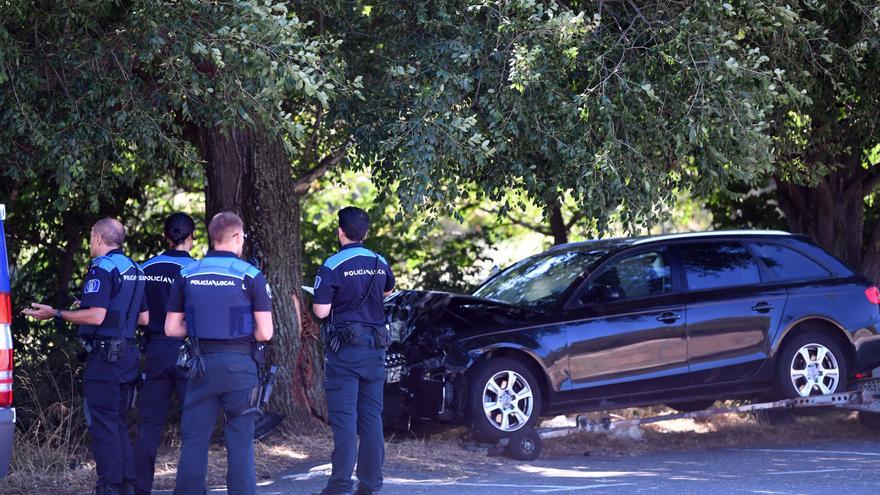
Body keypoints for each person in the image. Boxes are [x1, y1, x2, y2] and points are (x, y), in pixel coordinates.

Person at [23, 218, 148, 495]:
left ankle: (108, 486)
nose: (91, 242)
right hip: (128, 355)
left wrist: (55, 313)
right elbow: (143, 318)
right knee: (117, 421)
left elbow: (96, 316)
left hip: (105, 358)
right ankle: (128, 486)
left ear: (100, 238)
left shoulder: (101, 268)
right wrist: (92, 308)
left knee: (102, 423)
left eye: (91, 236)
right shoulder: (136, 269)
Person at [165, 211, 273, 495]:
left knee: (194, 440)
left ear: (212, 237)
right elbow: (265, 333)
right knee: (240, 441)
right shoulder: (251, 276)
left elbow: (171, 328)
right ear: (237, 237)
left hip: (201, 366)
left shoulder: (188, 273)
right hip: (241, 368)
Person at [312, 206, 395, 495]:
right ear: (366, 232)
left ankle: (339, 485)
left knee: (345, 420)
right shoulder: (379, 261)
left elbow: (321, 311)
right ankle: (371, 484)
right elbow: (387, 291)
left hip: (344, 352)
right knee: (371, 419)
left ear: (340, 231)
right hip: (375, 349)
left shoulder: (333, 265)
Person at [133, 213, 198, 495]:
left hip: (156, 350)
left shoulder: (145, 268)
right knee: (194, 426)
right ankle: (190, 488)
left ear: (165, 236)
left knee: (149, 425)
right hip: (188, 351)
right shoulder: (198, 270)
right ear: (192, 238)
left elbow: (136, 314)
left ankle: (139, 488)